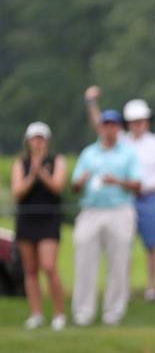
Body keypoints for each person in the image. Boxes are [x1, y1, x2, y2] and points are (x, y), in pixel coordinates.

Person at [84, 87, 155, 301]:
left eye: (142, 120)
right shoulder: (122, 142)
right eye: (135, 121)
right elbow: (100, 126)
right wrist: (91, 103)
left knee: (151, 245)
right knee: (122, 245)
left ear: (147, 121)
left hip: (149, 197)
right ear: (128, 123)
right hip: (125, 198)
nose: (139, 124)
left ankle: (151, 287)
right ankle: (122, 288)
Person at [71, 110, 141, 326]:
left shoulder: (128, 153)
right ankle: (83, 313)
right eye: (105, 124)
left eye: (113, 125)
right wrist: (80, 182)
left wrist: (117, 182)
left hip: (120, 210)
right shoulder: (89, 153)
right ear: (100, 127)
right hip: (91, 211)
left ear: (119, 128)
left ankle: (113, 313)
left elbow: (138, 185)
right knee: (84, 262)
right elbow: (74, 186)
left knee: (118, 264)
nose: (109, 128)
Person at [10, 122, 67, 330]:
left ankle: (59, 314)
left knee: (49, 267)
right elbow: (18, 192)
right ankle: (37, 314)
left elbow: (57, 187)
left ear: (47, 141)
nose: (38, 142)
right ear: (28, 141)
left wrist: (42, 172)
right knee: (31, 270)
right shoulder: (20, 163)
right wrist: (33, 174)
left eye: (41, 138)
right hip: (27, 219)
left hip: (48, 219)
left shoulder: (56, 161)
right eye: (34, 138)